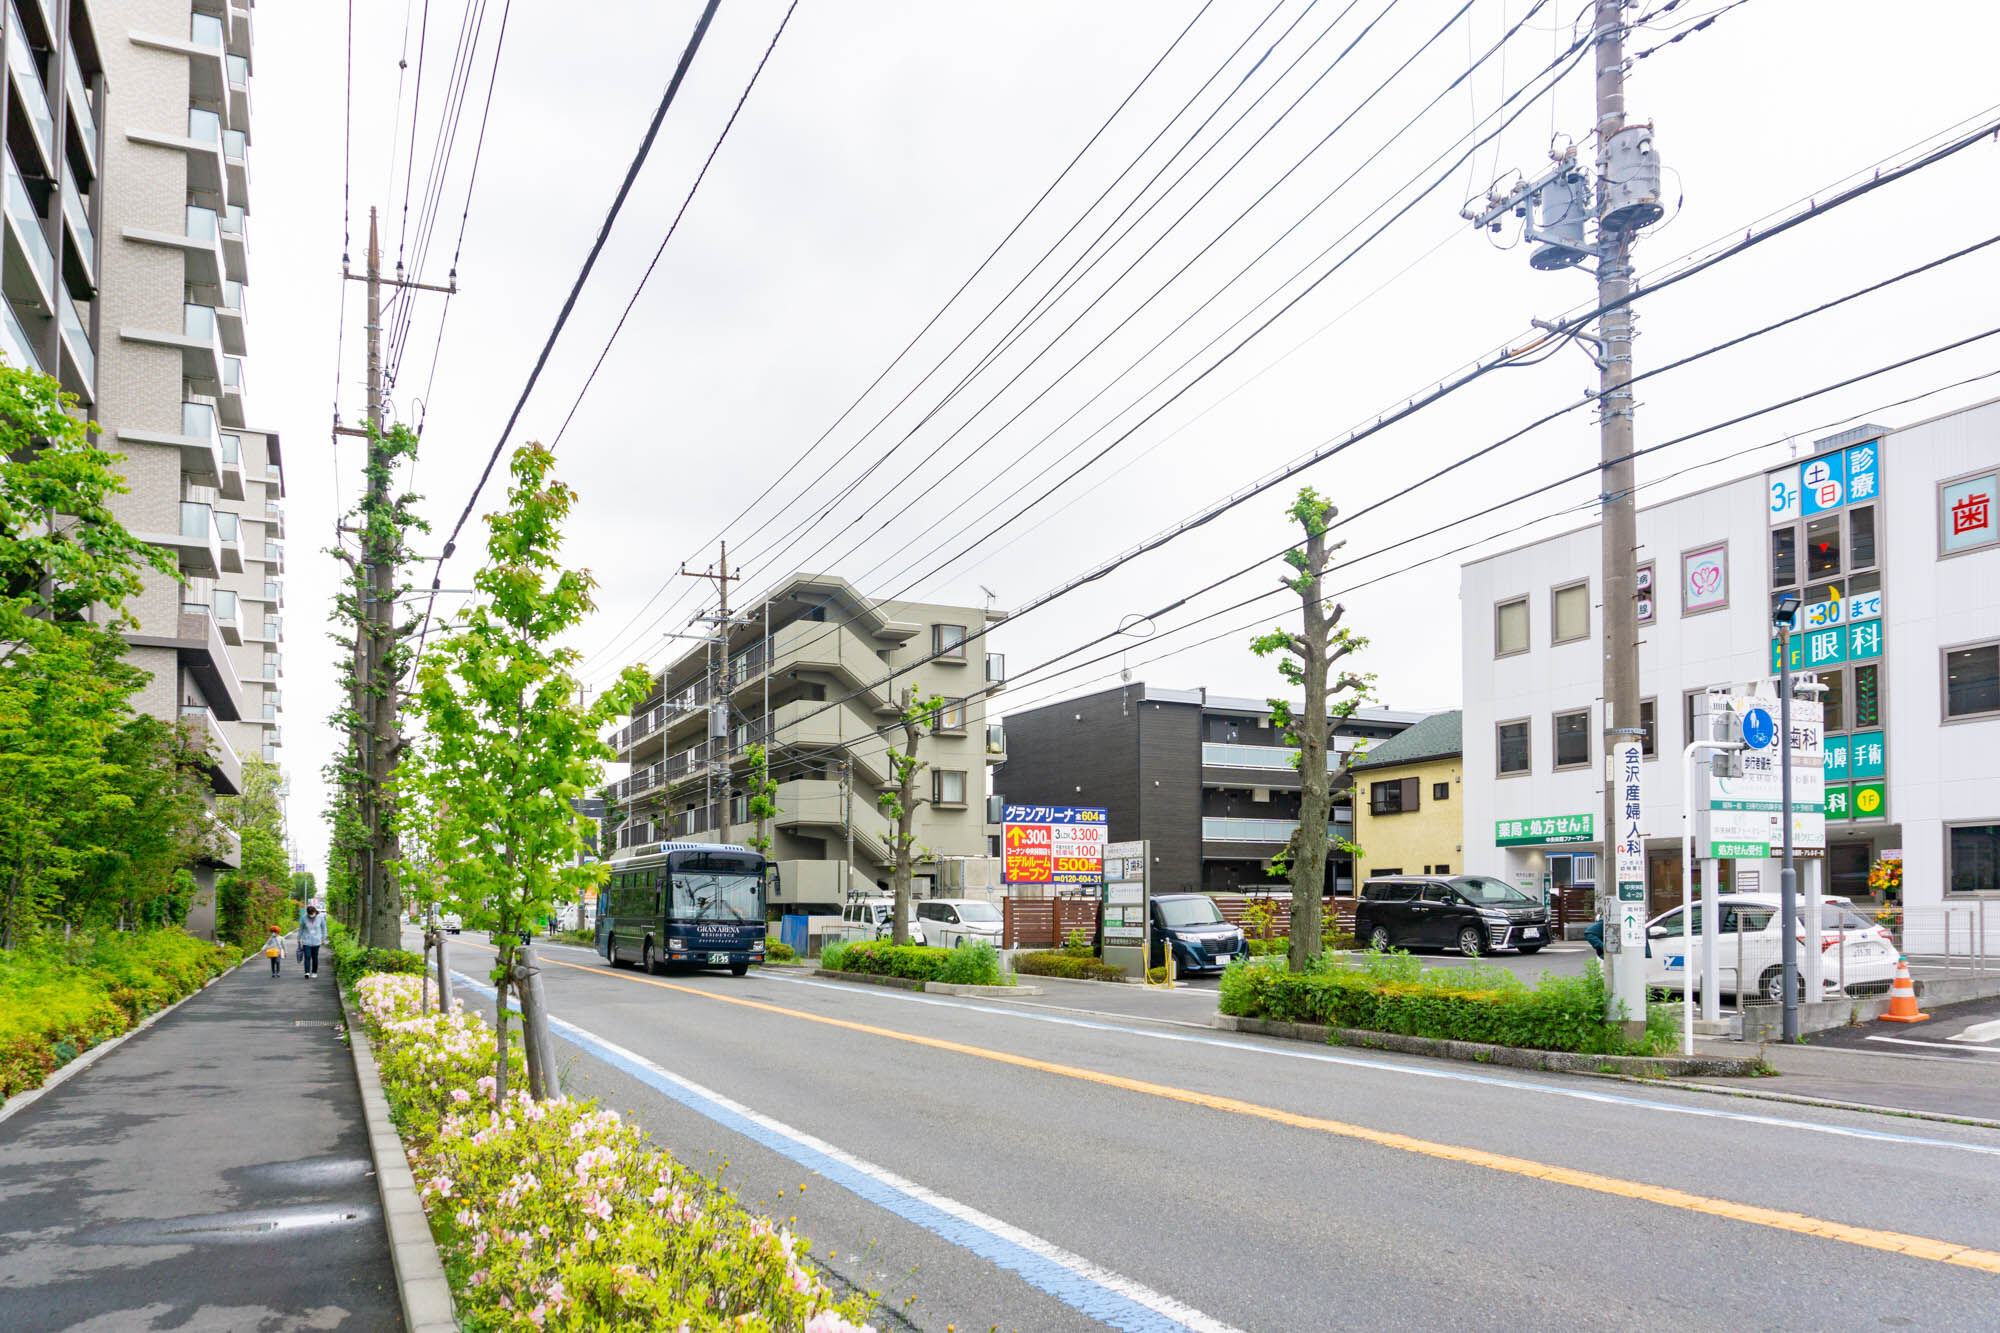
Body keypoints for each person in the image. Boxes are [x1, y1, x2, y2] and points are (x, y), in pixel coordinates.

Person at [297, 904, 328, 979]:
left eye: (312, 913)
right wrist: (298, 938)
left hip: (317, 941)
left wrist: (323, 938)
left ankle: (314, 972)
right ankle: (307, 972)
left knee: (315, 957)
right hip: (306, 941)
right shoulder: (304, 917)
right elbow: (301, 928)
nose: (311, 915)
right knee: (307, 957)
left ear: (315, 911)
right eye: (309, 914)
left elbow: (324, 928)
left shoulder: (320, 917)